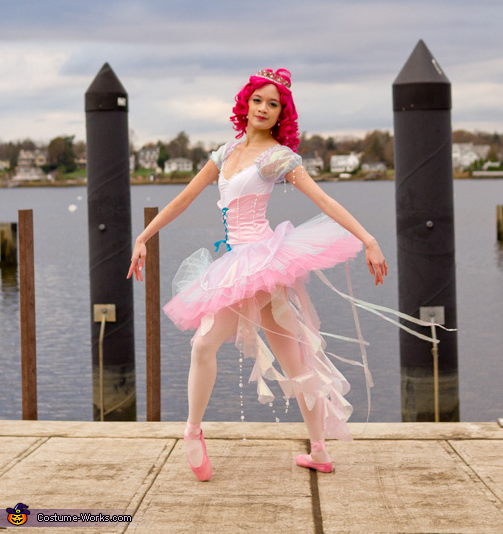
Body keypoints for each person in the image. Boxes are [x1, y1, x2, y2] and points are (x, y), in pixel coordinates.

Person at [127, 68, 387, 481]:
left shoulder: (277, 157)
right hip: (237, 264)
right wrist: (143, 235)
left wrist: (368, 238)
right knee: (286, 359)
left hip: (261, 262)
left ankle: (196, 432)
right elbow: (185, 197)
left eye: (273, 104)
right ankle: (315, 450)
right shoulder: (226, 152)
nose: (264, 109)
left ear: (281, 113)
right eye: (258, 101)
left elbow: (323, 199)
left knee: (218, 348)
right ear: (244, 104)